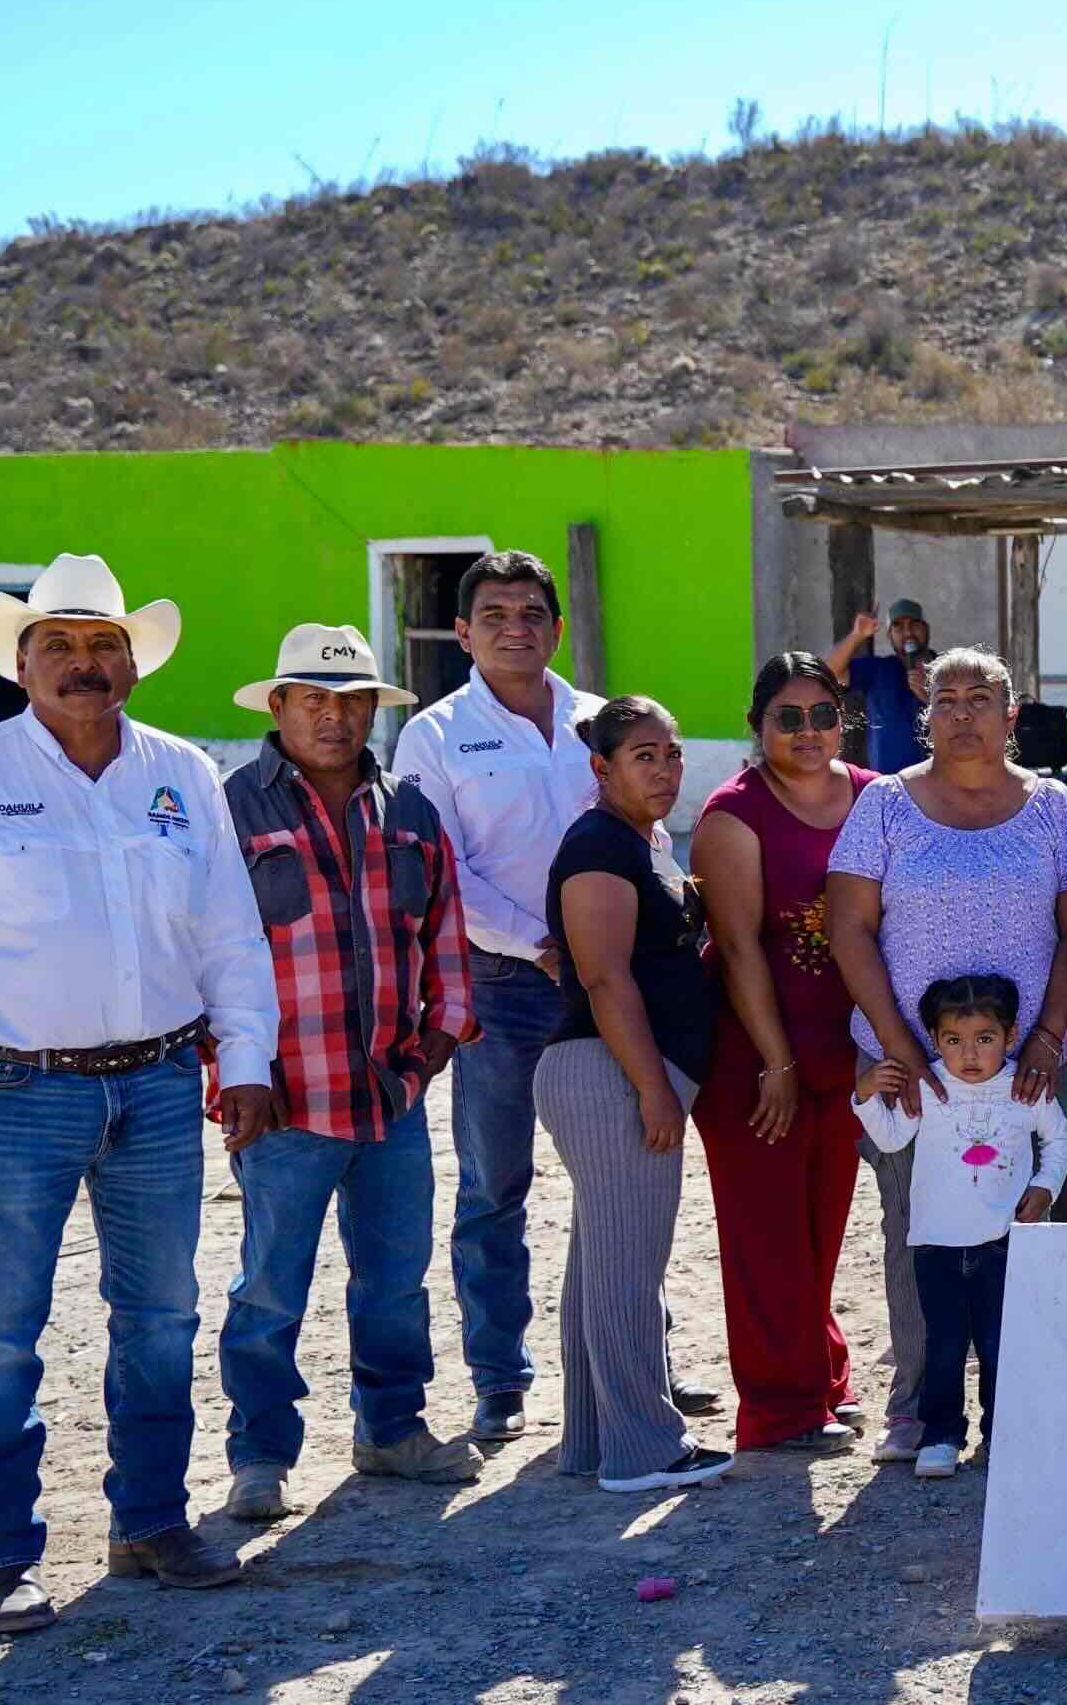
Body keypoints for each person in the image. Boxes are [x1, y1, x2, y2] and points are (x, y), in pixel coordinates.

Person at [0, 554, 277, 1631]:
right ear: (22, 662)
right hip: (8, 1092)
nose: (85, 665)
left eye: (103, 646)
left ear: (133, 660)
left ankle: (148, 1520)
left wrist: (248, 1063)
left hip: (154, 1086)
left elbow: (230, 933)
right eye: (61, 647)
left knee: (160, 1313)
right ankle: (1, 1556)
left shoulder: (183, 772)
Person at [214, 624, 487, 1527]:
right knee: (268, 1285)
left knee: (396, 1277)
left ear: (375, 709)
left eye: (353, 701)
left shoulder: (409, 809)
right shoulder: (230, 812)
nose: (335, 718)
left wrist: (439, 1039)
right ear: (280, 707)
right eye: (315, 701)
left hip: (389, 1093)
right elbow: (200, 953)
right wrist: (232, 1072)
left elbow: (443, 932)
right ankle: (259, 1456)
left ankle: (392, 1427)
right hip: (283, 1100)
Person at [824, 646, 1067, 1464]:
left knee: (1024, 1230)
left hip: (1031, 1065)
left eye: (982, 697)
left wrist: (1043, 1036)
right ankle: (918, 1405)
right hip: (913, 1073)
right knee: (920, 1233)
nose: (963, 711)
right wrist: (906, 1050)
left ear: (1012, 714)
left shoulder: (1054, 807)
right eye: (947, 697)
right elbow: (849, 929)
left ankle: (1026, 1400)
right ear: (924, 714)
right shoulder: (886, 806)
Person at [393, 547, 606, 1445]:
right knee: (493, 1186)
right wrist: (540, 941)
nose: (515, 628)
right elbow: (442, 871)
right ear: (462, 632)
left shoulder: (600, 720)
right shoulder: (432, 737)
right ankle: (500, 1378)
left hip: (607, 984)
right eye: (494, 614)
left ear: (557, 626)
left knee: (620, 1178)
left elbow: (640, 827)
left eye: (531, 612)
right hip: (500, 983)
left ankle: (632, 1359)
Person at [537, 696, 734, 1493]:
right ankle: (645, 1450)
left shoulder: (641, 842)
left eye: (674, 751)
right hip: (611, 1073)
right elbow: (602, 975)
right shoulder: (596, 844)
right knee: (628, 1268)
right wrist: (653, 1087)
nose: (664, 768)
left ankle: (592, 1439)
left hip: (618, 1073)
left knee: (601, 1262)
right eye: (644, 754)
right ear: (602, 767)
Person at [688, 653, 874, 1456]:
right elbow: (736, 948)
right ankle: (778, 1408)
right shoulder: (733, 813)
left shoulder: (876, 796)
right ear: (756, 726)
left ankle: (822, 1376)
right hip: (755, 1060)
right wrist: (777, 1061)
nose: (807, 732)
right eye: (787, 717)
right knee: (766, 1234)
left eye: (822, 714)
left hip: (848, 1052)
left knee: (822, 1228)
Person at [852, 974, 1067, 1479]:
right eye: (954, 1041)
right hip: (936, 1247)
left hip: (1003, 1244)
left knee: (1000, 1344)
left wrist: (1044, 1186)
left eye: (984, 1040)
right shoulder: (928, 1087)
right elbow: (889, 1142)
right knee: (945, 1345)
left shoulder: (1025, 1088)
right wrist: (865, 1097)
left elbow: (1060, 1140)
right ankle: (942, 1435)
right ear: (934, 1041)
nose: (969, 1054)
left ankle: (1003, 1434)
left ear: (1010, 1037)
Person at [834, 598, 934, 764]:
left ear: (927, 629)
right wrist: (856, 635)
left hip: (937, 784)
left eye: (914, 623)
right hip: (888, 783)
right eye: (898, 626)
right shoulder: (878, 670)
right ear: (889, 635)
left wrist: (930, 699)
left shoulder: (948, 670)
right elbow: (831, 672)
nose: (908, 632)